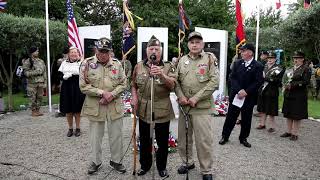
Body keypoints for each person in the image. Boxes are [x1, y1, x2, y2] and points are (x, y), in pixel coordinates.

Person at [175, 31, 219, 180]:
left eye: (197, 42)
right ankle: (188, 162)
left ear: (202, 44)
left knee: (204, 140)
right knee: (183, 138)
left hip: (202, 107)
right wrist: (180, 96)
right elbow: (176, 82)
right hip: (185, 107)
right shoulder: (181, 61)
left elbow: (214, 82)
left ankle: (206, 170)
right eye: (192, 42)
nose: (194, 45)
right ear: (188, 44)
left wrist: (196, 98)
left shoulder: (209, 59)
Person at [79, 37, 127, 174]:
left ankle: (116, 161)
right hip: (96, 106)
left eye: (106, 51)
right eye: (101, 51)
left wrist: (111, 95)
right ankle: (96, 161)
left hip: (114, 105)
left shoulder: (117, 64)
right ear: (96, 50)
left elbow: (124, 84)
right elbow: (83, 87)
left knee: (116, 136)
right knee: (95, 137)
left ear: (110, 51)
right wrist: (102, 93)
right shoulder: (86, 64)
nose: (103, 54)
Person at [131, 35, 176, 178]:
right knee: (145, 140)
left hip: (162, 109)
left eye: (156, 48)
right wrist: (134, 97)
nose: (154, 51)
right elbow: (133, 84)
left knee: (162, 142)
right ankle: (145, 165)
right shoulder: (139, 66)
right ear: (147, 51)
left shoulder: (168, 66)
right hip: (144, 109)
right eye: (151, 48)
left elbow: (173, 85)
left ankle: (161, 167)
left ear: (161, 51)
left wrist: (162, 75)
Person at [219, 43, 264, 148]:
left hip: (248, 97)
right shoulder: (237, 63)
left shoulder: (258, 66)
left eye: (244, 51)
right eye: (242, 51)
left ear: (250, 52)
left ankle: (243, 138)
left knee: (247, 118)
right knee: (231, 117)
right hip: (236, 95)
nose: (241, 53)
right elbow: (232, 78)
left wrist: (246, 91)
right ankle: (225, 136)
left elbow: (258, 82)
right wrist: (239, 90)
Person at [281, 51, 311, 141]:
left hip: (299, 95)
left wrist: (293, 85)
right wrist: (284, 84)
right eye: (294, 58)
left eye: (297, 58)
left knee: (296, 114)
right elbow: (285, 78)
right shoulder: (290, 68)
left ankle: (295, 133)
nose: (295, 60)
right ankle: (288, 131)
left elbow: (306, 82)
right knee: (288, 113)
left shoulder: (306, 69)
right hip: (288, 94)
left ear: (302, 59)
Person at [58, 46, 85, 137]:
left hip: (77, 88)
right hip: (67, 88)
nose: (73, 54)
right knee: (68, 110)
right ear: (69, 54)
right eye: (72, 52)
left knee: (77, 110)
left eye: (75, 52)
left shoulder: (81, 63)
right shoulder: (64, 63)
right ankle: (70, 128)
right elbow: (59, 76)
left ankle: (78, 128)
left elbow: (86, 75)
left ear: (78, 54)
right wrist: (64, 76)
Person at [256, 52, 284, 132]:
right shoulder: (263, 66)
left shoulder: (278, 68)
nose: (270, 60)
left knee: (271, 109)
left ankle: (272, 126)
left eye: (272, 58)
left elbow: (279, 81)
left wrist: (266, 78)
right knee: (262, 107)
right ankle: (262, 124)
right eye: (269, 58)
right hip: (263, 90)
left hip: (272, 90)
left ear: (275, 59)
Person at [22, 46, 47, 117]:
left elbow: (44, 72)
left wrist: (45, 82)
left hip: (41, 82)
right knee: (32, 98)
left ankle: (38, 110)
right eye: (36, 51)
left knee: (40, 97)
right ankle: (33, 111)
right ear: (32, 52)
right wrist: (36, 72)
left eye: (38, 51)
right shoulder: (27, 62)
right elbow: (26, 73)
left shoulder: (41, 61)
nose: (38, 52)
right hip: (32, 83)